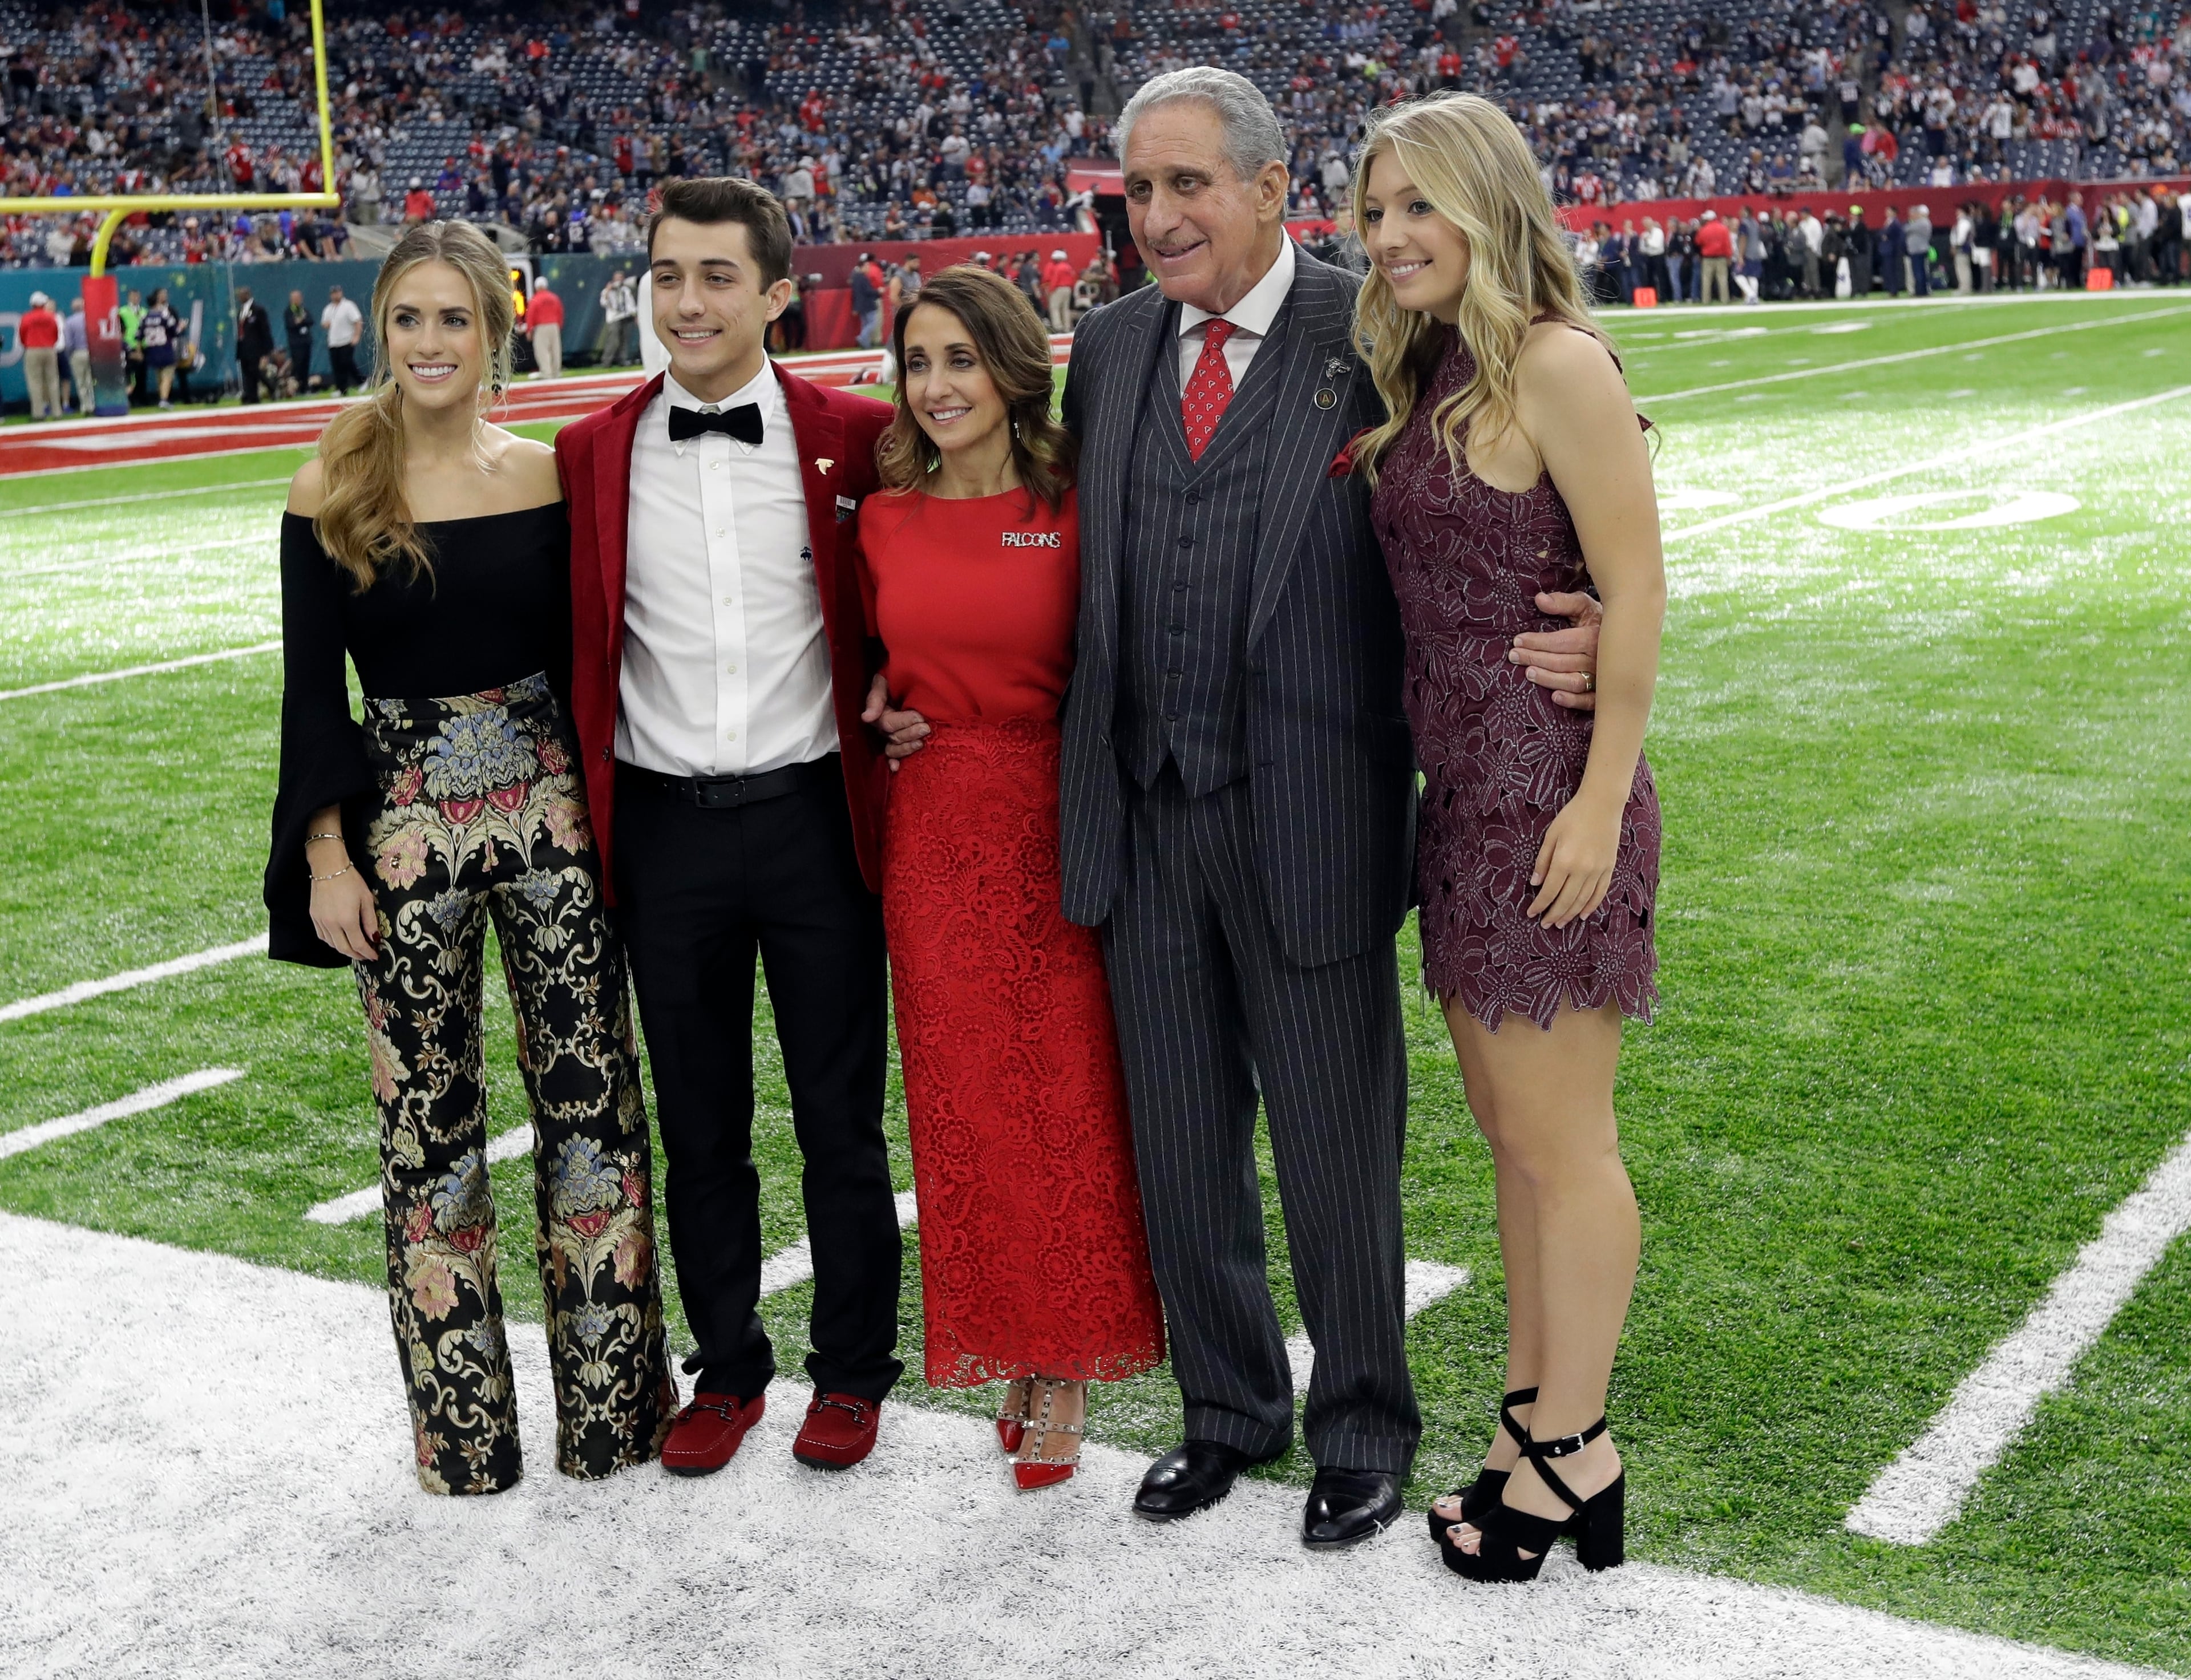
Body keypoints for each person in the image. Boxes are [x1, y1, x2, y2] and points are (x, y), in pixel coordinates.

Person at [1009, 67, 1600, 1547]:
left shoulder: (1380, 322)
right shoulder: (1119, 345)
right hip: (1142, 820)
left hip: (1318, 816)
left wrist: (1592, 610)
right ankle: (1226, 1411)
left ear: (1275, 189)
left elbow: (1575, 442)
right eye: (1137, 191)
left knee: (1342, 1154)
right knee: (1184, 1147)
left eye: (1188, 184)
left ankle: (1361, 1428)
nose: (1157, 217)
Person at [266, 218, 676, 1495]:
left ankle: (614, 1416)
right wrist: (329, 858)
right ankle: (465, 1436)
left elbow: (603, 654)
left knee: (593, 1111)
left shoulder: (550, 472)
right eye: (408, 318)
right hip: (400, 834)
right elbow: (308, 693)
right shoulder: (329, 479)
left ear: (495, 333)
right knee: (426, 1133)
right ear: (381, 328)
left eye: (454, 319)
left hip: (554, 819)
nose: (430, 342)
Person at [1353, 91, 1660, 1585]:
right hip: (1460, 805)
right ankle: (1533, 1418)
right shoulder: (1432, 374)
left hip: (1549, 806)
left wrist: (1601, 798)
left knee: (1567, 1146)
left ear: (1489, 206)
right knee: (1512, 1150)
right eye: (1376, 211)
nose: (1394, 235)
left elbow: (1641, 584)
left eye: (1422, 206)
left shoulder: (1557, 362)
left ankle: (1575, 1452)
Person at [553, 176, 904, 1478]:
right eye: (665, 275)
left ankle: (855, 1370)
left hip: (816, 814)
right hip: (663, 828)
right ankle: (730, 1363)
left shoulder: (859, 437)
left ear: (772, 294)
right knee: (696, 1120)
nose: (685, 301)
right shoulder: (590, 452)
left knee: (837, 1120)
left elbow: (926, 586)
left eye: (714, 277)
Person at [855, 265, 1166, 1490]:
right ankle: (1013, 1345)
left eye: (960, 361)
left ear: (1010, 369)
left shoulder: (1078, 500)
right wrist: (880, 712)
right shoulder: (881, 516)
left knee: (1071, 1101)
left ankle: (1067, 1362)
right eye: (918, 363)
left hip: (1061, 825)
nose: (937, 387)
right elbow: (862, 667)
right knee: (968, 1111)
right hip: (933, 834)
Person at [19, 290, 62, 420]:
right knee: (53, 381)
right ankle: (57, 412)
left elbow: (22, 333)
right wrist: (50, 343)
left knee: (35, 382)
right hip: (49, 349)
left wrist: (28, 344)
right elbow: (56, 332)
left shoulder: (27, 317)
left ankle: (38, 413)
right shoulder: (51, 317)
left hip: (33, 349)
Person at [140, 287, 182, 410]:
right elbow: (176, 331)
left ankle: (162, 398)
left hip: (152, 350)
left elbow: (139, 335)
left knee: (159, 377)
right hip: (165, 348)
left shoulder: (145, 317)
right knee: (168, 376)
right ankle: (164, 400)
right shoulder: (164, 315)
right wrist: (182, 327)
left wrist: (139, 350)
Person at [322, 284, 365, 393]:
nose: (336, 295)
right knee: (336, 366)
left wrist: (356, 336)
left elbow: (358, 321)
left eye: (337, 292)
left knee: (346, 362)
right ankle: (342, 389)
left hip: (346, 340)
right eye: (333, 293)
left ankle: (362, 381)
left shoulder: (348, 306)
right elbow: (324, 323)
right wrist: (326, 325)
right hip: (333, 342)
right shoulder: (329, 309)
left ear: (341, 293)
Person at [236, 285, 274, 404]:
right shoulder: (241, 311)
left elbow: (265, 330)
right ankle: (251, 396)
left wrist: (267, 349)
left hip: (255, 348)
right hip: (244, 347)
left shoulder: (258, 310)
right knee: (247, 372)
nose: (239, 298)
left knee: (254, 371)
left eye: (242, 295)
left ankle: (270, 387)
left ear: (248, 295)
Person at [599, 270, 638, 366]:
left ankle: (623, 360)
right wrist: (608, 290)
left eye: (620, 278)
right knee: (613, 340)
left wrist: (635, 315)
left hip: (625, 316)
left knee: (624, 340)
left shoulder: (625, 290)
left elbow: (631, 304)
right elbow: (603, 303)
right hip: (614, 318)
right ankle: (606, 361)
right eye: (617, 278)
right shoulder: (607, 291)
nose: (619, 280)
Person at [527, 278, 564, 378]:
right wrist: (559, 325)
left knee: (542, 351)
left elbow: (530, 315)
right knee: (555, 350)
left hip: (541, 327)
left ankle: (547, 373)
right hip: (554, 326)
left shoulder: (535, 299)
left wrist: (530, 330)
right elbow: (560, 312)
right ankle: (556, 372)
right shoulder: (554, 298)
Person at [64, 295, 93, 414]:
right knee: (91, 380)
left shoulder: (69, 321)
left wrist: (70, 354)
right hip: (91, 352)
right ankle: (93, 403)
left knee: (80, 382)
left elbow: (69, 343)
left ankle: (85, 406)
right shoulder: (91, 318)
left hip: (77, 353)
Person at [1696, 209, 1732, 302]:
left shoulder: (1704, 229)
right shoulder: (1723, 229)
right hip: (1721, 258)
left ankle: (1706, 300)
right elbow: (1727, 244)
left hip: (1708, 258)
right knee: (1723, 279)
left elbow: (1698, 242)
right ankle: (1725, 300)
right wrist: (1729, 256)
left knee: (1706, 280)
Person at [285, 290, 315, 392]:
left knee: (306, 365)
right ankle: (296, 387)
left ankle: (305, 387)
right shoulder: (289, 311)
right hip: (296, 343)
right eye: (295, 298)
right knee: (298, 364)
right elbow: (291, 325)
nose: (297, 300)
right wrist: (301, 321)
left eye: (298, 298)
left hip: (306, 341)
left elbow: (311, 321)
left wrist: (301, 321)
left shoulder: (304, 310)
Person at [1043, 245, 1079, 330]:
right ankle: (1067, 327)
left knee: (1055, 307)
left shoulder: (1058, 268)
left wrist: (1051, 290)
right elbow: (1074, 278)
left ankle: (1058, 327)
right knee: (1065, 308)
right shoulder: (1069, 267)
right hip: (1068, 289)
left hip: (1059, 288)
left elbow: (1055, 279)